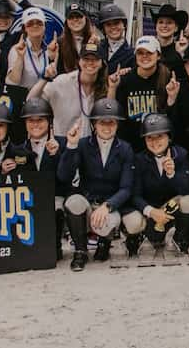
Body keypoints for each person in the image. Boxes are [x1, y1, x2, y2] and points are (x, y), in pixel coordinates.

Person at [58, 98, 135, 271]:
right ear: (94, 124)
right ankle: (80, 251)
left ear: (117, 125)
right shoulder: (84, 144)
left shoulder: (125, 149)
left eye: (112, 123)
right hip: (88, 199)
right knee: (73, 202)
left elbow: (126, 188)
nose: (107, 127)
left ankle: (104, 242)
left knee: (106, 222)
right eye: (102, 123)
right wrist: (71, 145)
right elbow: (64, 176)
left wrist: (108, 206)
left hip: (109, 204)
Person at [123, 114, 189, 255]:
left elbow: (186, 190)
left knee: (188, 200)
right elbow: (134, 195)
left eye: (160, 136)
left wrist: (171, 174)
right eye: (150, 137)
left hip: (171, 209)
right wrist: (151, 211)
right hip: (149, 212)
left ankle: (180, 239)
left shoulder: (181, 154)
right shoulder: (138, 159)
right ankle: (137, 238)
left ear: (169, 137)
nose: (154, 142)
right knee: (134, 223)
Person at [16, 98, 69, 260]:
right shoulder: (18, 149)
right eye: (31, 121)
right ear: (25, 123)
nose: (35, 124)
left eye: (40, 120)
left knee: (57, 206)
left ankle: (55, 244)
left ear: (49, 122)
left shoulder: (63, 142)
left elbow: (66, 177)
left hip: (55, 197)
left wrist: (56, 155)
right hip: (29, 199)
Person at [108, 36, 176, 152]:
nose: (144, 56)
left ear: (158, 55)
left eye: (149, 52)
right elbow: (111, 111)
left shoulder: (167, 79)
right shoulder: (125, 79)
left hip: (157, 145)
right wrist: (112, 87)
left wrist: (172, 97)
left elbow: (172, 118)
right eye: (140, 53)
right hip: (130, 145)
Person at [29, 41, 108, 139]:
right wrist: (45, 78)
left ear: (101, 63)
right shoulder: (62, 82)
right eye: (86, 59)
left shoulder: (105, 86)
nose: (90, 62)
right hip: (62, 145)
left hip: (90, 147)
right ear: (79, 61)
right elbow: (30, 102)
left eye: (95, 59)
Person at [7, 7, 56, 89]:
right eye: (30, 24)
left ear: (45, 26)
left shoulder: (49, 50)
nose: (35, 26)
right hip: (23, 100)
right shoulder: (17, 49)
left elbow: (53, 80)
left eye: (39, 23)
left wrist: (53, 59)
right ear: (24, 28)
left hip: (44, 99)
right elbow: (12, 83)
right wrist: (20, 57)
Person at [56, 3, 98, 75]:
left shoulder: (95, 41)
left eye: (79, 16)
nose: (75, 19)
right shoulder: (58, 43)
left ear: (85, 19)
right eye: (71, 17)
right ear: (67, 22)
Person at [151, 4, 189, 79]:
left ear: (176, 28)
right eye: (161, 22)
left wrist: (181, 54)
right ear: (156, 26)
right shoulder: (148, 49)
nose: (164, 26)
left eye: (169, 22)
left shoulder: (182, 51)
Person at [97, 4, 134, 74]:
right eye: (108, 24)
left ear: (124, 25)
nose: (113, 27)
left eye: (116, 23)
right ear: (103, 29)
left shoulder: (132, 54)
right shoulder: (97, 47)